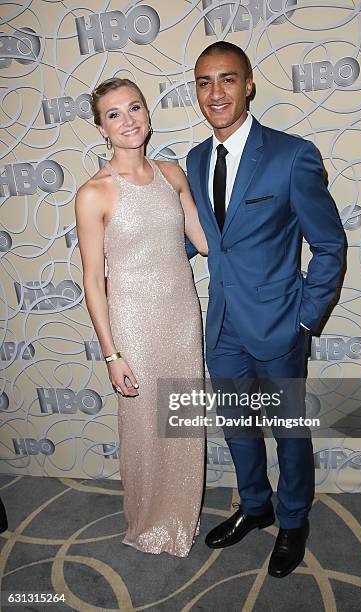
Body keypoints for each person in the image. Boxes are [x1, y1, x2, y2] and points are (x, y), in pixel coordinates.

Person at [186, 42, 345, 576]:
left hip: (280, 324)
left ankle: (294, 520)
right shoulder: (194, 159)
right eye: (205, 82)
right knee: (236, 427)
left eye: (227, 80)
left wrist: (306, 317)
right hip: (224, 323)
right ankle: (255, 506)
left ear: (248, 84)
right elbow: (207, 237)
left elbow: (329, 244)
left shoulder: (292, 155)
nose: (216, 93)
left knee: (288, 431)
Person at [75, 77, 207, 557]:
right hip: (133, 323)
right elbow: (93, 281)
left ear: (148, 114)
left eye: (134, 108)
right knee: (145, 430)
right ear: (101, 129)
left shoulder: (173, 174)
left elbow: (205, 241)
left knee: (182, 421)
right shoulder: (94, 193)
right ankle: (148, 520)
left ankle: (180, 518)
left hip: (181, 316)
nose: (128, 120)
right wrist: (111, 353)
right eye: (114, 114)